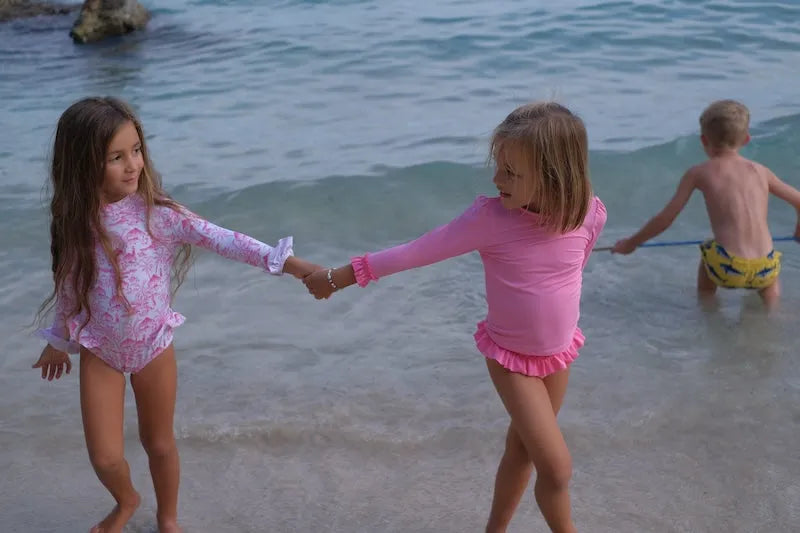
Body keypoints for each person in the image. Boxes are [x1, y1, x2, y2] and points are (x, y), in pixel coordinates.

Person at [305, 102, 606, 533]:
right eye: (498, 167)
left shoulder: (589, 213)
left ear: (554, 174)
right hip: (510, 356)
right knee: (557, 469)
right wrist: (337, 278)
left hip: (559, 353)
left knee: (522, 452)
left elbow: (572, 272)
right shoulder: (489, 218)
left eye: (510, 172)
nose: (496, 180)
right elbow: (414, 252)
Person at [32, 97, 319, 533]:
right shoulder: (76, 221)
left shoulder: (157, 214)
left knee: (159, 443)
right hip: (100, 348)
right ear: (82, 163)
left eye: (136, 150)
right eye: (116, 157)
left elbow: (226, 240)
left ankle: (169, 521)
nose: (133, 165)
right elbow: (71, 284)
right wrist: (58, 340)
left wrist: (289, 265)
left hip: (153, 347)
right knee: (105, 457)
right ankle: (126, 500)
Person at [612, 100, 800, 308]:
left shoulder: (699, 173)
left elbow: (665, 219)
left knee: (709, 250)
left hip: (728, 267)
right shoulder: (760, 171)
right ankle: (771, 311)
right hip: (765, 268)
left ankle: (708, 308)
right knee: (771, 276)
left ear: (703, 140)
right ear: (746, 139)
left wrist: (632, 243)